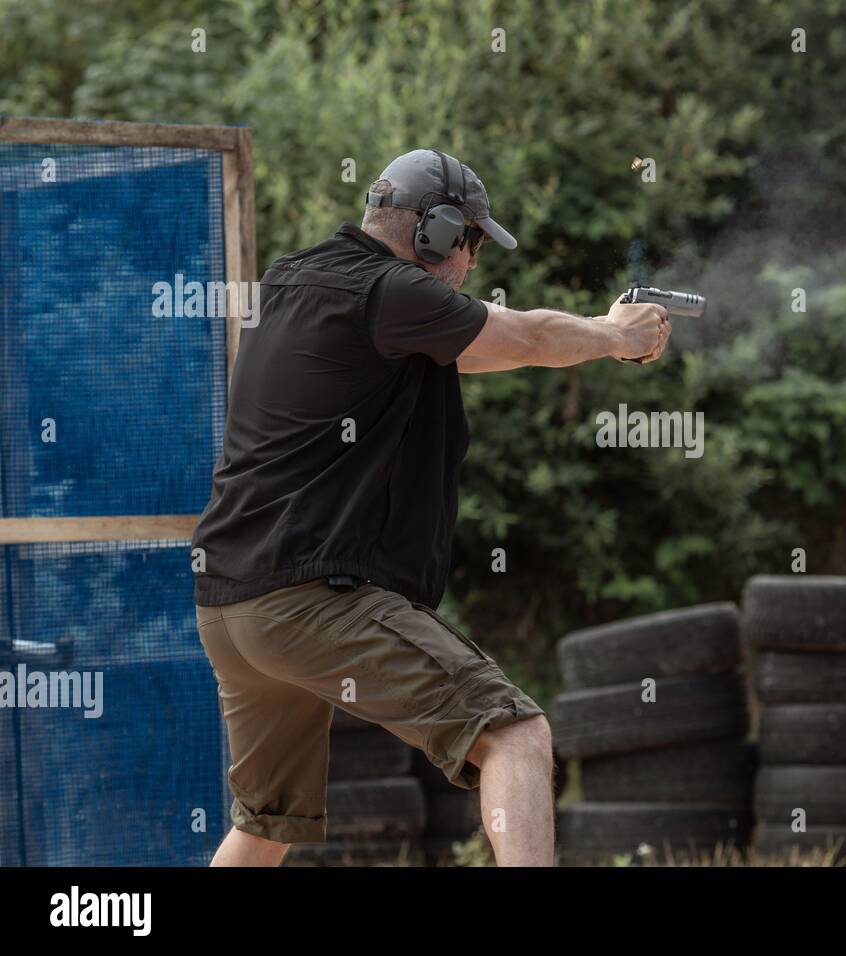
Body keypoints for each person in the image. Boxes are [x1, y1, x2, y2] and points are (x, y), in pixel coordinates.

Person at [192, 147, 671, 866]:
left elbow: (478, 348)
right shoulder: (391, 293)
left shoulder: (295, 277)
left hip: (229, 604)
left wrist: (601, 336)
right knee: (516, 735)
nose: (472, 264)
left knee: (268, 823)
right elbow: (527, 336)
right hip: (308, 597)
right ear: (436, 233)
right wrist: (614, 337)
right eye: (471, 242)